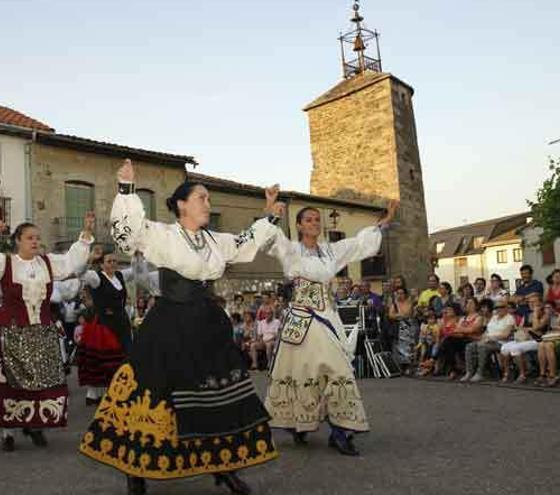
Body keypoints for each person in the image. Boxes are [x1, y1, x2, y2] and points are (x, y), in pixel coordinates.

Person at [81, 160, 280, 494]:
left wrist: (269, 213)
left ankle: (223, 465)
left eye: (207, 198)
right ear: (182, 204)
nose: (208, 203)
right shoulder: (163, 234)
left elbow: (247, 241)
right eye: (202, 197)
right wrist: (127, 189)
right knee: (154, 392)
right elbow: (127, 234)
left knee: (217, 394)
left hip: (207, 324)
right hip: (170, 324)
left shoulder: (215, 240)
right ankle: (136, 469)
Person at [259, 198, 397, 458]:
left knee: (338, 368)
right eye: (308, 219)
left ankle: (341, 430)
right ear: (299, 225)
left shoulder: (331, 251)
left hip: (326, 317)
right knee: (300, 372)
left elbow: (359, 244)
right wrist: (269, 212)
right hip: (301, 318)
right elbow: (267, 240)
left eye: (317, 220)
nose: (314, 223)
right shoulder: (290, 249)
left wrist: (383, 222)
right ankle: (299, 422)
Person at [0, 209, 94, 452]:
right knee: (7, 383)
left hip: (40, 330)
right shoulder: (5, 262)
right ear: (18, 241)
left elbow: (71, 262)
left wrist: (86, 232)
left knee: (41, 381)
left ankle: (36, 426)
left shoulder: (47, 263)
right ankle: (8, 432)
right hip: (10, 330)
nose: (35, 241)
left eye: (37, 238)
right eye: (30, 238)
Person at [79, 247, 133, 406]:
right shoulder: (97, 278)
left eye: (115, 261)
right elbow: (81, 272)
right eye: (109, 261)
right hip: (104, 323)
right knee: (104, 358)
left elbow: (136, 270)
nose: (112, 264)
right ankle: (97, 393)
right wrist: (89, 258)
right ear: (101, 264)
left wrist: (137, 254)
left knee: (125, 354)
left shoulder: (120, 276)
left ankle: (119, 390)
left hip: (121, 322)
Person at [464, 299, 514, 382]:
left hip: (501, 342)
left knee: (482, 346)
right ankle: (469, 372)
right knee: (470, 346)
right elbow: (487, 331)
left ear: (506, 308)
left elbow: (506, 335)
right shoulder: (494, 317)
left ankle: (480, 373)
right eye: (496, 307)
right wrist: (483, 338)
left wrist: (490, 338)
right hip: (488, 340)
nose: (498, 309)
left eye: (501, 307)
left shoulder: (509, 318)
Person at [500, 293, 545, 384]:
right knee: (504, 347)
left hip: (537, 340)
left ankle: (522, 374)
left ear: (540, 304)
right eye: (529, 302)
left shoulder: (544, 314)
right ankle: (507, 373)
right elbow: (519, 328)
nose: (531, 304)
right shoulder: (527, 315)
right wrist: (525, 329)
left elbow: (537, 329)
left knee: (516, 348)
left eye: (534, 302)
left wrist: (535, 314)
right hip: (524, 338)